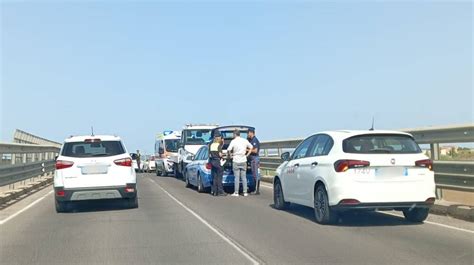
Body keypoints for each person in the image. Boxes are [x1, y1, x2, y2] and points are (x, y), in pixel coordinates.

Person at [227, 129, 253, 197]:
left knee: (237, 177)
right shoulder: (244, 140)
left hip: (236, 160)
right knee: (244, 177)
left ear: (234, 134)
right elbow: (251, 147)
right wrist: (247, 155)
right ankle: (245, 192)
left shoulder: (233, 141)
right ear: (239, 134)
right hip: (243, 159)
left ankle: (236, 192)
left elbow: (229, 149)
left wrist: (230, 156)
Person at [209, 132, 226, 196]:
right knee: (219, 177)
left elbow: (210, 154)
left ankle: (214, 191)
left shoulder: (211, 145)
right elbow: (220, 154)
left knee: (214, 177)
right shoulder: (218, 145)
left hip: (213, 161)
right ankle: (220, 191)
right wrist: (223, 155)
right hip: (218, 162)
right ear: (218, 139)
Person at [247, 128, 261, 195]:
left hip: (255, 159)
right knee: (254, 174)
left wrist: (247, 150)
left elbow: (255, 151)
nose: (248, 134)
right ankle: (255, 189)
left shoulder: (254, 140)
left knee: (256, 174)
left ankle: (257, 190)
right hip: (252, 159)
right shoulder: (250, 140)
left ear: (251, 133)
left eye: (248, 133)